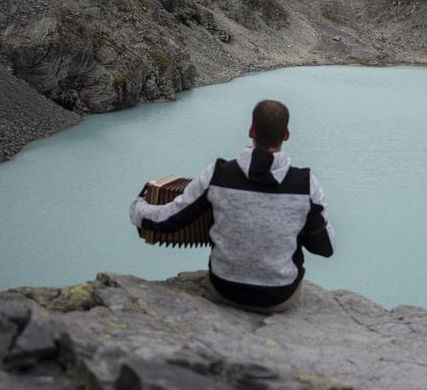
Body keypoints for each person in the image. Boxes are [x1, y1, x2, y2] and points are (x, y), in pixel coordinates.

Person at [129, 99, 334, 312]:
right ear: (286, 134)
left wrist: (137, 207)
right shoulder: (306, 184)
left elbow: (168, 220)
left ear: (251, 131)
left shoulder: (218, 174)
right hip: (279, 296)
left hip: (224, 290)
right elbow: (325, 247)